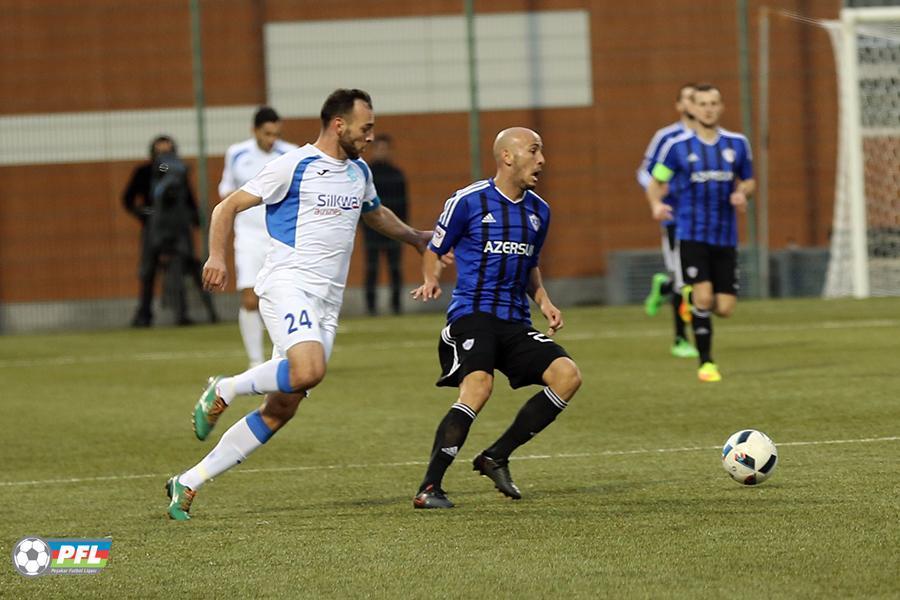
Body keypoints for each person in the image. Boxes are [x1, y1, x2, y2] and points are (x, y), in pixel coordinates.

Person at [165, 89, 432, 520]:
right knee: (310, 369)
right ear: (339, 125)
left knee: (281, 408)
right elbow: (226, 207)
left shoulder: (359, 171)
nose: (371, 136)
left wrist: (415, 237)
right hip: (287, 284)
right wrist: (216, 257)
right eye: (365, 128)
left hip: (326, 303)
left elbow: (374, 212)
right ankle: (226, 388)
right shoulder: (294, 164)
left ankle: (189, 481)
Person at [410, 127, 583, 509]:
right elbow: (435, 248)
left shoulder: (540, 211)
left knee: (567, 375)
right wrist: (431, 278)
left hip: (515, 321)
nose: (542, 160)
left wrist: (544, 301)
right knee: (478, 386)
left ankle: (496, 456)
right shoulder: (468, 200)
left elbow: (530, 265)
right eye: (534, 151)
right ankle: (429, 487)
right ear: (507, 156)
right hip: (473, 314)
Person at [646, 83, 755, 383]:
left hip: (725, 236)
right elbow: (656, 181)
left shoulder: (737, 144)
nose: (708, 109)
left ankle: (686, 298)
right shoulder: (677, 147)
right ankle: (706, 363)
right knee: (704, 298)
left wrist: (742, 193)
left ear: (721, 107)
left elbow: (749, 180)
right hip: (691, 233)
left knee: (725, 308)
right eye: (702, 104)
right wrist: (656, 205)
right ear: (692, 108)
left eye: (713, 103)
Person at [219, 107, 298, 367]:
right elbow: (226, 190)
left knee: (284, 298)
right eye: (267, 134)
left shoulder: (291, 154)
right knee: (250, 299)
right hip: (248, 236)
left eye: (276, 134)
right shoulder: (236, 153)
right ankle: (255, 362)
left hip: (280, 237)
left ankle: (283, 357)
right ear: (254, 131)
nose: (272, 139)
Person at [122, 135, 217, 327]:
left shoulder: (177, 172)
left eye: (168, 151)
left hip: (178, 228)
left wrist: (195, 219)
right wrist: (144, 213)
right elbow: (128, 199)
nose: (164, 156)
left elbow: (188, 199)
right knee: (148, 271)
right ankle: (144, 314)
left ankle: (182, 314)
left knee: (180, 269)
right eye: (160, 152)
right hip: (153, 228)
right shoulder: (144, 172)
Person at [636, 83, 699, 359]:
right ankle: (680, 339)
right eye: (689, 98)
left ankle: (663, 285)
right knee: (685, 281)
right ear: (679, 105)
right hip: (676, 218)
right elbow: (644, 173)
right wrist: (657, 197)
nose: (695, 103)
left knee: (699, 280)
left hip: (705, 221)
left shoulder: (712, 139)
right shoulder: (667, 137)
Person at [363, 133, 408, 315]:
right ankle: (371, 307)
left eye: (385, 148)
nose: (382, 151)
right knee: (371, 268)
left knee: (395, 268)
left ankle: (396, 305)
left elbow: (404, 204)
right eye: (379, 148)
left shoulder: (397, 174)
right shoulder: (367, 174)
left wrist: (403, 229)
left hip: (394, 230)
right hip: (371, 230)